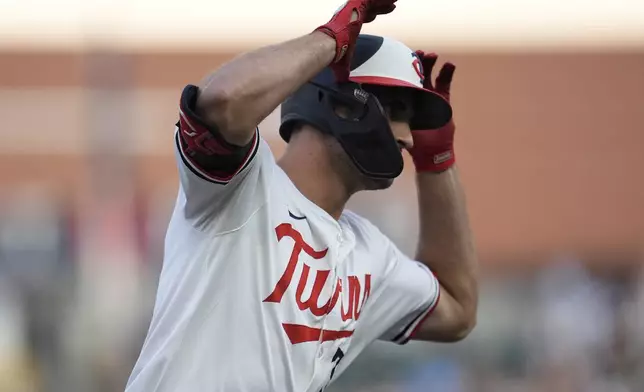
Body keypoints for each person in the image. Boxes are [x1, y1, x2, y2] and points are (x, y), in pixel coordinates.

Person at [125, 0, 478, 391]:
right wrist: (330, 40)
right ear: (342, 104)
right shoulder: (241, 189)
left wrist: (437, 161)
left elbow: (458, 309)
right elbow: (221, 102)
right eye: (396, 109)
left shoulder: (371, 255)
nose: (408, 137)